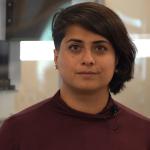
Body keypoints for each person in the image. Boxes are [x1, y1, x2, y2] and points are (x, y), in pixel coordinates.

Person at [0, 2, 150, 150]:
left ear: (116, 59)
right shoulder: (17, 132)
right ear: (56, 57)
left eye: (100, 48)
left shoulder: (143, 133)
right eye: (75, 47)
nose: (88, 59)